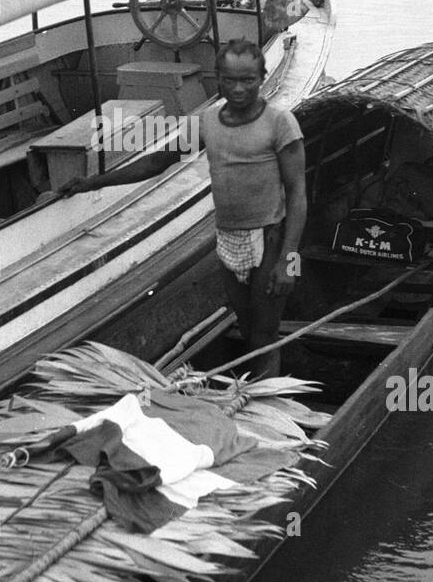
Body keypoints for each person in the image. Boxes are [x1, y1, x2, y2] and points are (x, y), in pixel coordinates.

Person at [60, 39, 306, 376]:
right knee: (248, 328)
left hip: (270, 239)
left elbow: (298, 193)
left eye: (247, 79)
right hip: (228, 239)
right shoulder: (207, 122)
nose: (238, 88)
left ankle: (267, 403)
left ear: (261, 77)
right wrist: (93, 182)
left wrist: (289, 262)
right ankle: (256, 393)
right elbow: (155, 164)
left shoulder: (280, 123)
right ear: (217, 78)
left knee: (265, 334)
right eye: (229, 80)